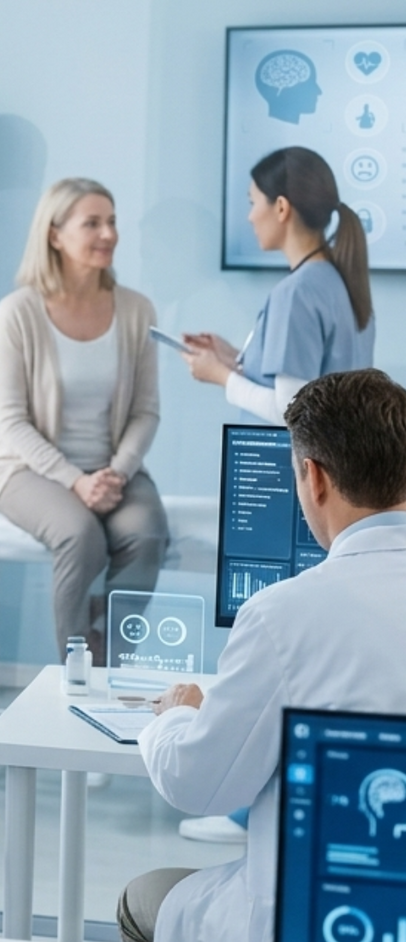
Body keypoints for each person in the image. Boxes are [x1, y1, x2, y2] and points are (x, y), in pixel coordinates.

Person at [116, 370, 406, 942]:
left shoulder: (284, 615)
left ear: (313, 477)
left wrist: (177, 713)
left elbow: (199, 786)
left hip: (309, 920)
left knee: (143, 897)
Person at [0, 178, 166, 662]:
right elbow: (11, 422)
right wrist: (75, 483)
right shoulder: (17, 313)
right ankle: (77, 669)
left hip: (111, 468)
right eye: (93, 223)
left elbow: (146, 410)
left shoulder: (136, 310)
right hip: (26, 469)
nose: (108, 233)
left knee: (145, 534)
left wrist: (116, 473)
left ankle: (113, 660)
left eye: (112, 221)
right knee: (79, 536)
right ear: (55, 235)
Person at [181, 146, 374, 423]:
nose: (250, 217)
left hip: (288, 463)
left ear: (281, 207)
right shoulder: (341, 282)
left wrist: (221, 376)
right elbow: (312, 384)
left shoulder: (296, 293)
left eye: (253, 203)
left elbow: (291, 409)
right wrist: (235, 359)